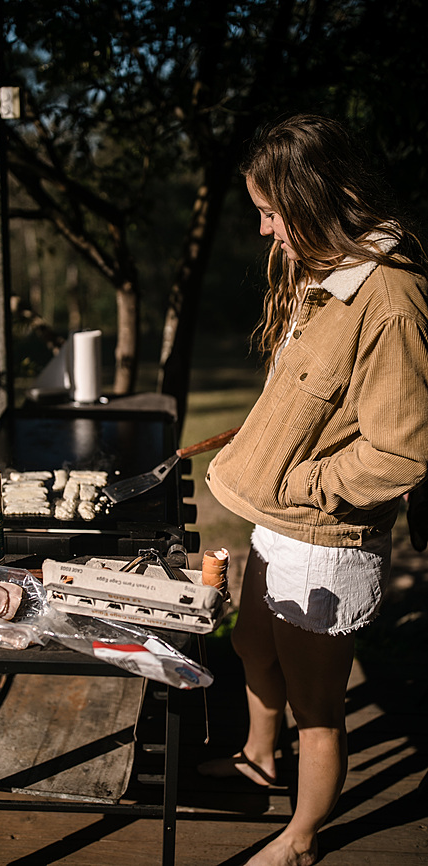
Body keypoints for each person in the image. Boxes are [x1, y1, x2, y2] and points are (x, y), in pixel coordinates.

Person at [198, 114, 428, 865]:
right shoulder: (324, 276)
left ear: (315, 199)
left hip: (323, 540)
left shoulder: (390, 301)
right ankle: (258, 759)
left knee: (316, 708)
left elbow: (403, 449)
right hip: (279, 521)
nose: (266, 231)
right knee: (247, 643)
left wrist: (305, 478)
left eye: (272, 212)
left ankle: (299, 839)